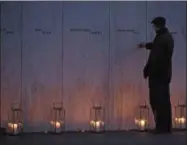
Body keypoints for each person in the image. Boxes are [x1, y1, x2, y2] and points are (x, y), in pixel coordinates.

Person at [138, 16, 174, 134]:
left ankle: (161, 127)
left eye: (155, 25)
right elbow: (156, 48)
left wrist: (147, 70)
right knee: (163, 101)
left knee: (157, 101)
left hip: (158, 75)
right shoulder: (164, 37)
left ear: (159, 25)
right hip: (163, 75)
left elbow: (156, 57)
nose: (154, 28)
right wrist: (146, 45)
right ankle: (165, 127)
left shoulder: (163, 38)